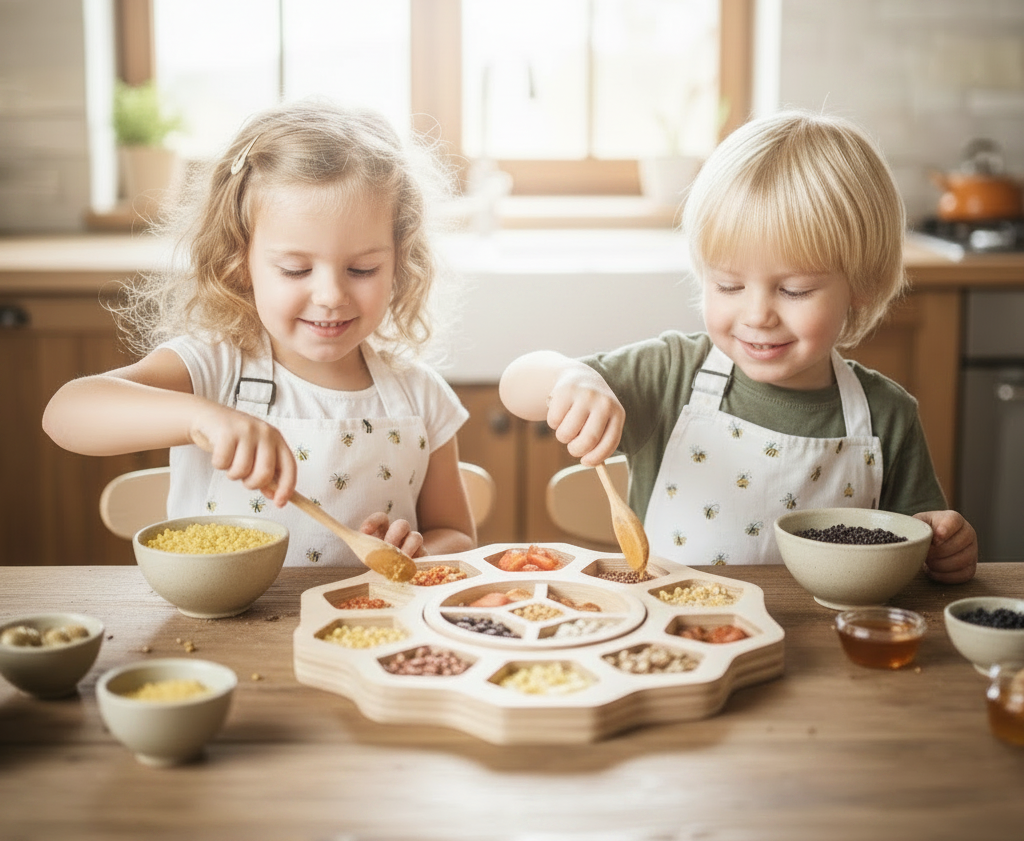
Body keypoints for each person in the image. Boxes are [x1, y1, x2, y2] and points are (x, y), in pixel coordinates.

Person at [499, 110, 977, 582]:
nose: (757, 316)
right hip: (682, 642)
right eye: (728, 285)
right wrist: (570, 378)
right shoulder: (670, 376)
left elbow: (918, 547)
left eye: (794, 291)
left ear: (861, 286)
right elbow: (517, 385)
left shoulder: (888, 416)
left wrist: (943, 546)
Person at [43, 99, 476, 566]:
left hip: (368, 633)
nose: (331, 294)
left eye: (362, 268)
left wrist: (419, 551)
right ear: (240, 262)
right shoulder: (214, 368)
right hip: (220, 634)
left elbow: (456, 535)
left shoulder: (418, 396)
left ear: (399, 261)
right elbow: (65, 413)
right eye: (295, 269)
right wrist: (201, 418)